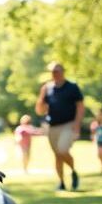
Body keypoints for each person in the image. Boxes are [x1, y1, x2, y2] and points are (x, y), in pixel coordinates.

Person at [36, 62, 85, 190]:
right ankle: (61, 182)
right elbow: (40, 110)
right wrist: (41, 98)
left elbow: (80, 107)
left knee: (63, 150)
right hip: (52, 126)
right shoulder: (47, 88)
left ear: (63, 72)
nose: (55, 74)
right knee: (57, 155)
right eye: (53, 72)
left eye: (57, 71)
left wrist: (77, 124)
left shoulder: (72, 87)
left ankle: (73, 171)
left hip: (68, 124)